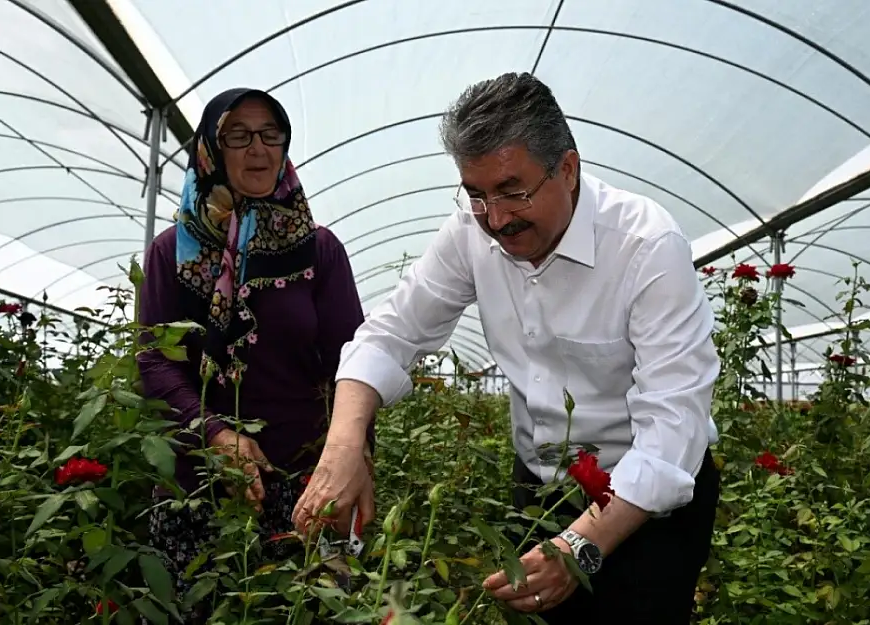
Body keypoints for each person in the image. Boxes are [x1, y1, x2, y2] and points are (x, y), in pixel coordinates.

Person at [293, 72, 721, 624]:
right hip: (539, 485)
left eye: (513, 190)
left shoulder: (646, 247)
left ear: (567, 169)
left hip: (645, 504)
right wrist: (343, 449)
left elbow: (672, 432)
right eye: (476, 195)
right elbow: (390, 333)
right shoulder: (471, 232)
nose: (496, 219)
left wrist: (580, 548)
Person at [136, 88, 366, 622]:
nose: (258, 149)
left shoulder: (318, 250)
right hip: (197, 488)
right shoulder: (173, 252)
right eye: (238, 136)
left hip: (307, 491)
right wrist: (215, 433)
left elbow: (353, 365)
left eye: (271, 134)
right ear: (210, 151)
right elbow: (155, 360)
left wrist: (358, 462)